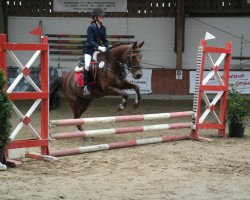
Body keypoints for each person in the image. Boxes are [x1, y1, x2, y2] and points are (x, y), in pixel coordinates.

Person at [82, 8, 109, 95]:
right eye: (101, 16)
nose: (103, 18)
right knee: (87, 66)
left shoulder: (103, 28)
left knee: (104, 62)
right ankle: (86, 86)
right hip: (89, 50)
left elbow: (104, 40)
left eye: (103, 16)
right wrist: (99, 47)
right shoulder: (91, 27)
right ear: (95, 18)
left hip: (97, 50)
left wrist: (108, 46)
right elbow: (90, 40)